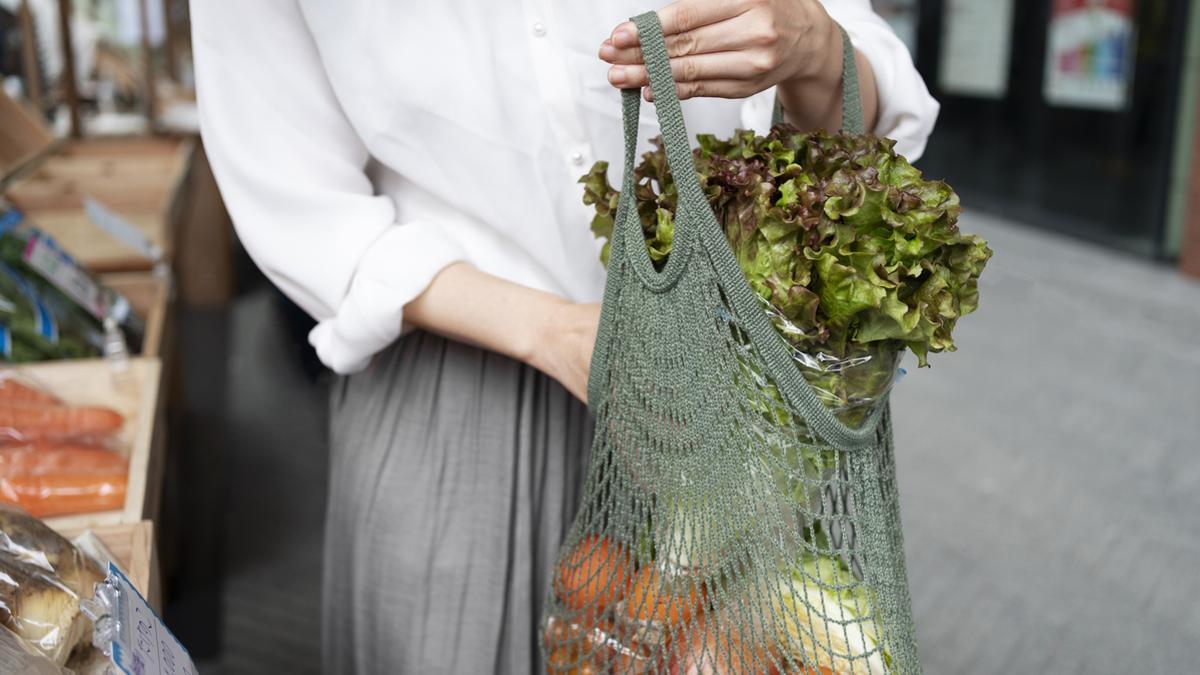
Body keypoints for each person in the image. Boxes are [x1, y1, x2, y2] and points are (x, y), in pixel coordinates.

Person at [190, 1, 937, 672]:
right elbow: (293, 192)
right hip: (454, 394)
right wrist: (551, 329)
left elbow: (869, 110)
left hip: (725, 395)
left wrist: (815, 48)